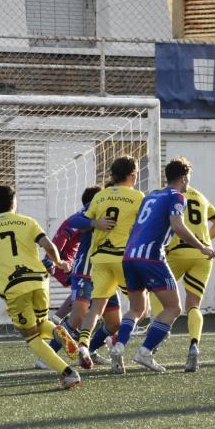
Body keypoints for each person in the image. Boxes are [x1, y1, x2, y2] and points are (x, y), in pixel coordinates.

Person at [113, 157, 215, 373]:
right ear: (184, 178)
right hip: (151, 257)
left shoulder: (150, 196)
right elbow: (178, 226)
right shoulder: (177, 196)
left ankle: (118, 346)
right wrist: (202, 247)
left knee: (137, 309)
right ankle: (145, 352)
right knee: (174, 308)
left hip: (129, 256)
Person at [0, 185, 80, 390]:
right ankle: (60, 333)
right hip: (40, 282)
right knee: (41, 323)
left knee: (30, 335)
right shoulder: (28, 222)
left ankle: (68, 373)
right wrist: (60, 263)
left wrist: (2, 266)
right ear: (13, 203)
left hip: (14, 287)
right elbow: (48, 246)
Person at [35, 186, 118, 369]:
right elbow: (73, 221)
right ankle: (47, 355)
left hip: (106, 273)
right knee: (78, 316)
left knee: (114, 323)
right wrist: (95, 223)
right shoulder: (93, 209)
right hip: (84, 270)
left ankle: (88, 350)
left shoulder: (120, 207)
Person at [76, 156, 145, 371]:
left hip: (100, 259)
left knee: (96, 309)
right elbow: (145, 227)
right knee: (140, 308)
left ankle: (84, 345)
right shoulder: (137, 197)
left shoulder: (100, 196)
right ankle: (118, 344)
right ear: (132, 175)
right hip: (124, 259)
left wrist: (95, 223)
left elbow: (79, 223)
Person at [166, 185, 215, 372]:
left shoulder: (168, 195)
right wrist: (203, 242)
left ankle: (157, 338)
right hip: (202, 255)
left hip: (176, 253)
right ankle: (194, 344)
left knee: (157, 293)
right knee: (193, 305)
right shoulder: (201, 196)